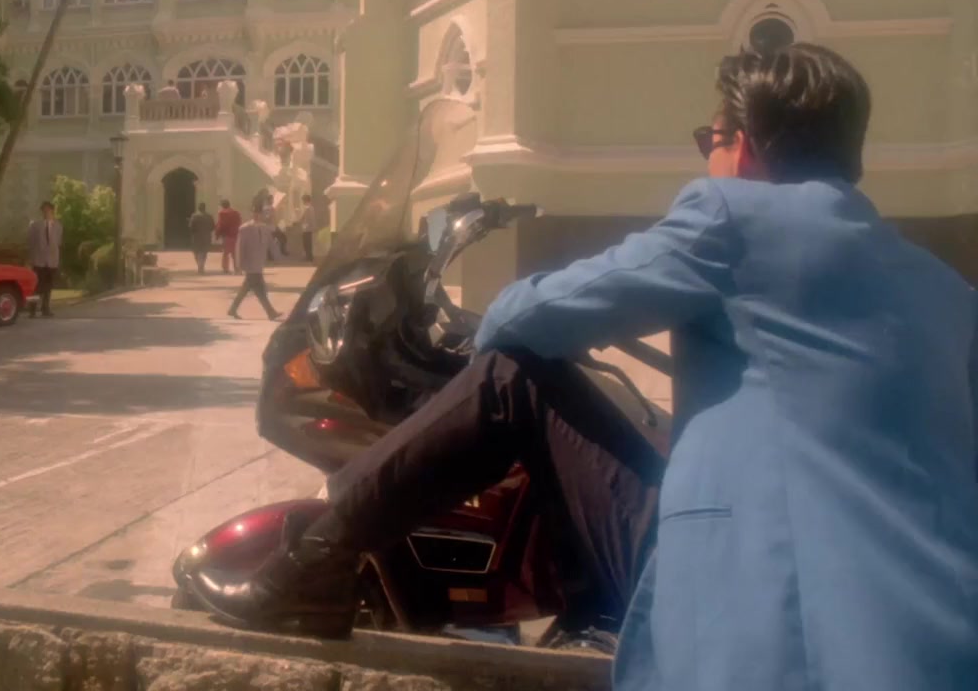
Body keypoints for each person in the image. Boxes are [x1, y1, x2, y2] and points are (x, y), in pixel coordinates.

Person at [191, 43, 978, 691]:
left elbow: (522, 320)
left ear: (745, 147)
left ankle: (311, 566)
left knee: (517, 378)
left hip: (759, 604)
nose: (708, 158)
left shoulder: (734, 216)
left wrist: (516, 308)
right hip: (936, 634)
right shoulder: (943, 289)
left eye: (709, 140)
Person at [227, 205, 281, 321]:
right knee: (260, 289)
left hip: (259, 262)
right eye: (255, 213)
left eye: (259, 213)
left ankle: (233, 309)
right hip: (250, 263)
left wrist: (277, 256)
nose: (257, 215)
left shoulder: (265, 228)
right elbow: (240, 247)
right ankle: (271, 312)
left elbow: (271, 244)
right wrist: (238, 264)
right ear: (252, 214)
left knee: (249, 288)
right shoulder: (245, 229)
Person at [27, 201, 62, 318]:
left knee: (48, 286)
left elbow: (58, 243)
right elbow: (31, 243)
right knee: (36, 286)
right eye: (44, 210)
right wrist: (31, 259)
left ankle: (45, 308)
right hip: (38, 261)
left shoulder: (58, 226)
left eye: (48, 210)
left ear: (52, 211)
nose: (46, 212)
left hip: (52, 261)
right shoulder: (35, 225)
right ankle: (32, 309)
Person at [214, 199, 241, 274]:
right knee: (235, 253)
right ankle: (237, 268)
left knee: (226, 253)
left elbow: (221, 225)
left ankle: (225, 268)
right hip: (235, 235)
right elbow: (239, 223)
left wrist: (217, 234)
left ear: (222, 206)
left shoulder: (222, 213)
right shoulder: (236, 212)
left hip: (227, 235)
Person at [189, 202, 215, 274]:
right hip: (206, 236)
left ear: (198, 208)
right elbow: (213, 227)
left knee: (196, 252)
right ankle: (201, 265)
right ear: (204, 208)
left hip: (196, 237)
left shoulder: (194, 216)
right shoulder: (209, 216)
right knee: (204, 252)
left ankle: (199, 265)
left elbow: (191, 227)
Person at [299, 193, 317, 262]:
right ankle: (308, 256)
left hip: (307, 228)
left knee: (307, 243)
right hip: (306, 228)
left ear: (306, 200)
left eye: (303, 200)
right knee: (307, 243)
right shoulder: (308, 208)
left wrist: (313, 227)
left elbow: (311, 218)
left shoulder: (308, 208)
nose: (302, 202)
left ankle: (309, 257)